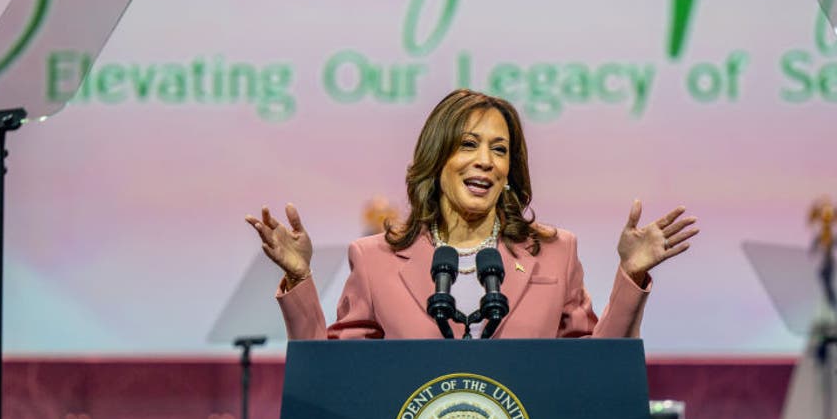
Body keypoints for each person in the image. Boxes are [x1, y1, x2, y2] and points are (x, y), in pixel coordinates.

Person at [245, 88, 698, 340]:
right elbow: (336, 378)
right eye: (468, 145)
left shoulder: (555, 252)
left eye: (499, 150)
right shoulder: (374, 258)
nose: (486, 160)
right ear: (436, 158)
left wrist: (630, 275)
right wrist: (302, 280)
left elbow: (593, 371)